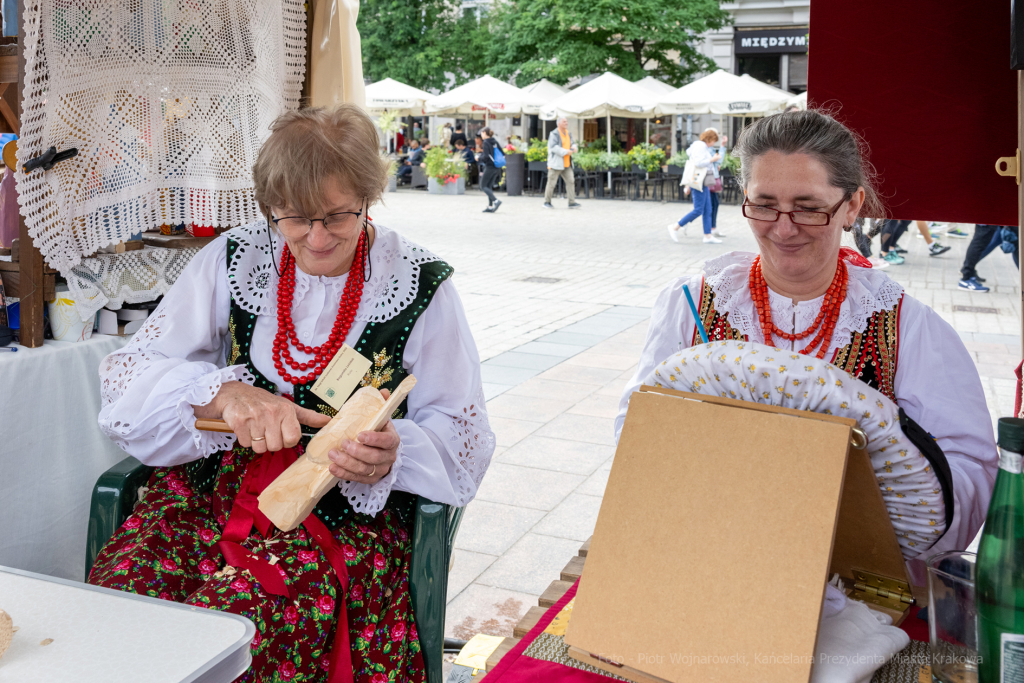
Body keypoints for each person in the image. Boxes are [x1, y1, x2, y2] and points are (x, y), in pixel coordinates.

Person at [88, 105, 495, 682]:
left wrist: (392, 454)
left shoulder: (420, 283)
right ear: (270, 207)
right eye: (297, 218)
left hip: (344, 509)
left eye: (338, 215)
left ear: (368, 198)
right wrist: (224, 396)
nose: (319, 236)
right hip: (217, 490)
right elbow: (129, 372)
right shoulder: (235, 258)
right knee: (126, 593)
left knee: (246, 622)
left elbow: (464, 433)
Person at [623, 110, 995, 578]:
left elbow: (968, 471)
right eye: (764, 204)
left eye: (808, 206)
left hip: (863, 586)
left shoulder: (909, 328)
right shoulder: (692, 303)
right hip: (710, 562)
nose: (783, 228)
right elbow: (639, 430)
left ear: (852, 206)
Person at [667, 129, 723, 245]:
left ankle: (707, 236)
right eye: (713, 140)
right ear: (710, 139)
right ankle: (675, 226)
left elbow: (690, 154)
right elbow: (698, 163)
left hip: (702, 181)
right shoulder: (701, 146)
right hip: (698, 181)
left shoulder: (698, 146)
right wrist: (713, 159)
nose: (713, 143)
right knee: (699, 209)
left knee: (708, 209)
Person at [959, 224, 1019, 292]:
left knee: (1015, 240)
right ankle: (966, 276)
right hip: (989, 216)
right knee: (981, 241)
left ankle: (968, 272)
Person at [543, 117, 581, 210]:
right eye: (564, 122)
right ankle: (547, 202)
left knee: (571, 181)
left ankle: (571, 202)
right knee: (551, 183)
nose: (566, 123)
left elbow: (572, 143)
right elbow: (554, 147)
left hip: (567, 163)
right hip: (556, 164)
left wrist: (574, 147)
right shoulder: (554, 134)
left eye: (567, 121)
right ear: (559, 123)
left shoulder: (568, 133)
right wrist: (566, 152)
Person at [477, 127, 502, 214]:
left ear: (484, 133)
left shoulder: (486, 142)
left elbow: (486, 156)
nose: (481, 135)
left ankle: (496, 201)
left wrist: (479, 158)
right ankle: (490, 207)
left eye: (481, 133)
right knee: (489, 186)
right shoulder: (494, 141)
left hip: (489, 167)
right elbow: (502, 152)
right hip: (496, 167)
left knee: (483, 186)